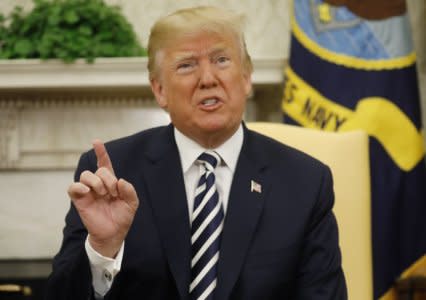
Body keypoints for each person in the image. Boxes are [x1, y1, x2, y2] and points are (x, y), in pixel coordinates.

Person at [46, 6, 347, 300]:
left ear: (246, 78)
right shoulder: (114, 174)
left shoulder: (304, 181)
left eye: (222, 60)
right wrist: (102, 249)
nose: (207, 79)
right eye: (187, 64)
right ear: (160, 90)